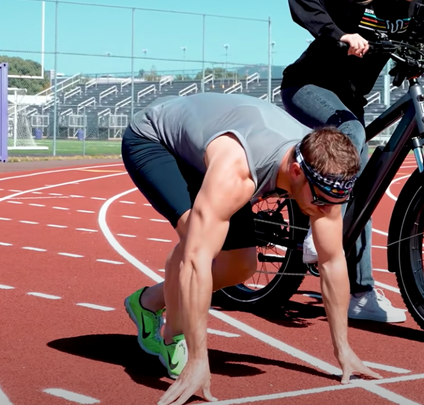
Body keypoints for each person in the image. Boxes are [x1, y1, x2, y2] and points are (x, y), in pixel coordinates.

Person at [120, 92, 381, 405]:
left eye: (335, 203)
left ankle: (147, 301)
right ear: (297, 172)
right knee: (196, 236)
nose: (327, 210)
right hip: (155, 140)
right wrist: (199, 361)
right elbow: (196, 262)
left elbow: (332, 261)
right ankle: (172, 335)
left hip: (214, 147)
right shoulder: (237, 171)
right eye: (322, 201)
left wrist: (344, 350)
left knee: (241, 265)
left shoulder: (324, 175)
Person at [280, 0, 424, 324]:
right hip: (308, 86)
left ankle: (361, 294)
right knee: (354, 135)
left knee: (363, 181)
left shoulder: (417, 7)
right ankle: (321, 229)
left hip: (349, 101)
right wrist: (339, 34)